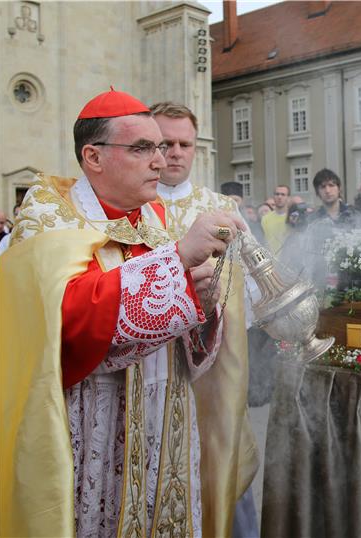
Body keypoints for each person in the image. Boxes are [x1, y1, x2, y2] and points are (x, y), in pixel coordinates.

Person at [0, 88, 247, 537]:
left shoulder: (158, 218)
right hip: (93, 423)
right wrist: (177, 263)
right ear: (93, 157)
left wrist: (204, 307)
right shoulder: (47, 219)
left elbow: (188, 335)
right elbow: (63, 324)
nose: (160, 160)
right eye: (143, 147)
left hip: (166, 424)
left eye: (163, 146)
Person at [150, 102, 260, 537]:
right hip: (149, 371)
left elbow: (251, 291)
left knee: (219, 467)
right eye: (165, 143)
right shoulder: (129, 205)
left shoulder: (221, 209)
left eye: (184, 144)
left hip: (211, 376)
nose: (175, 153)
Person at [261, 184, 290, 255]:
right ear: (273, 197)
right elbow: (262, 240)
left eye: (283, 194)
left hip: (289, 260)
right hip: (270, 260)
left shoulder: (292, 217)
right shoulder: (265, 218)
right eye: (277, 194)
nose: (279, 197)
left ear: (288, 198)